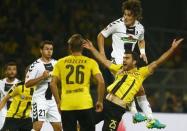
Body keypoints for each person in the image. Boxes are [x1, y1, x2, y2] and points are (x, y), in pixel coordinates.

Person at [83, 38, 183, 130]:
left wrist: (172, 49)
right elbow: (104, 61)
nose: (124, 60)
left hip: (116, 111)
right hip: (105, 104)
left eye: (127, 58)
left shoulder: (140, 73)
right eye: (123, 58)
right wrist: (92, 49)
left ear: (134, 61)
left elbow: (158, 62)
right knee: (82, 124)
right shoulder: (119, 68)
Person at [97, 0, 159, 126]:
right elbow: (101, 36)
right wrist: (102, 54)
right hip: (117, 63)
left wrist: (142, 52)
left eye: (128, 15)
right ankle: (138, 114)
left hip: (129, 63)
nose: (125, 17)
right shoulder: (117, 24)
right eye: (124, 14)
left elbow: (141, 40)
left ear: (135, 16)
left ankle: (148, 118)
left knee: (139, 90)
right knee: (132, 88)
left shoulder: (140, 28)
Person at [50, 34, 105, 131]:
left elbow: (52, 83)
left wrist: (58, 102)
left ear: (69, 47)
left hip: (67, 104)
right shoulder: (90, 62)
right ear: (82, 47)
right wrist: (100, 101)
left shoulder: (60, 62)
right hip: (84, 103)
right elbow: (101, 82)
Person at [25, 40, 62, 131]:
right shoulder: (35, 65)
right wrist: (42, 77)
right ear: (41, 50)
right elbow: (27, 84)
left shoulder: (57, 63)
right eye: (46, 49)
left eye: (51, 49)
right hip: (40, 100)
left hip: (53, 101)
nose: (49, 51)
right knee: (37, 127)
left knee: (58, 128)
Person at [0, 62, 20, 130]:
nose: (12, 71)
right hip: (2, 111)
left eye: (14, 69)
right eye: (9, 69)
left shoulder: (20, 84)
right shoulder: (0, 83)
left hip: (15, 113)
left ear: (16, 71)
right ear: (5, 71)